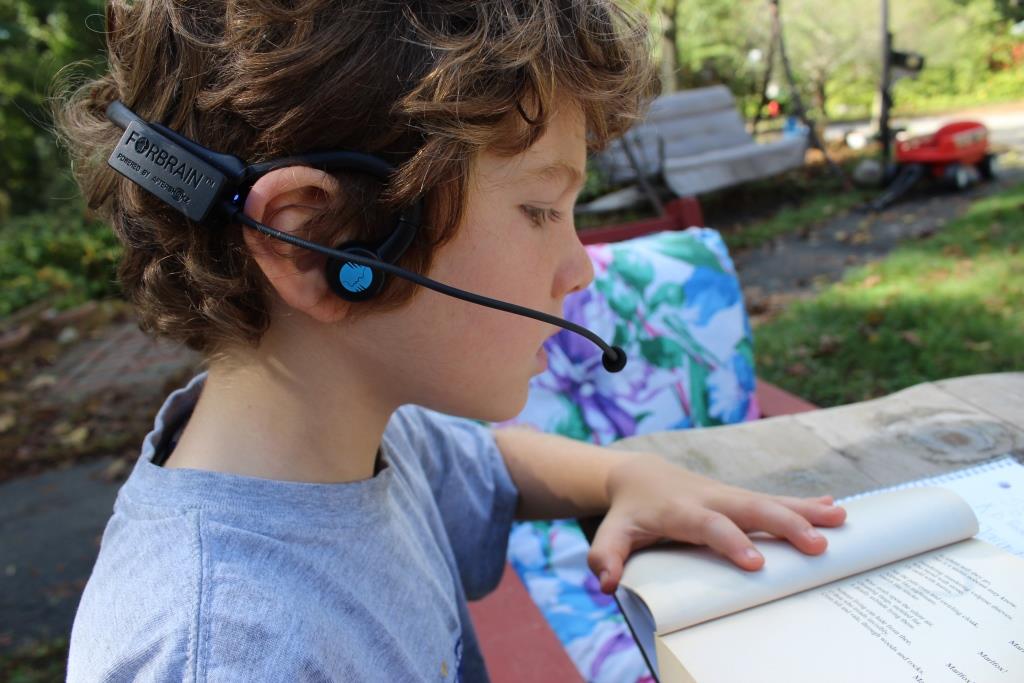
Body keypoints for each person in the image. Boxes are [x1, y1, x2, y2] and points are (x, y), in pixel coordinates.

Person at [56, 1, 847, 680]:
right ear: (319, 244)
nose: (579, 269)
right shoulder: (232, 651)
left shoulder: (354, 439)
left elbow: (491, 464)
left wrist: (625, 475)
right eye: (542, 210)